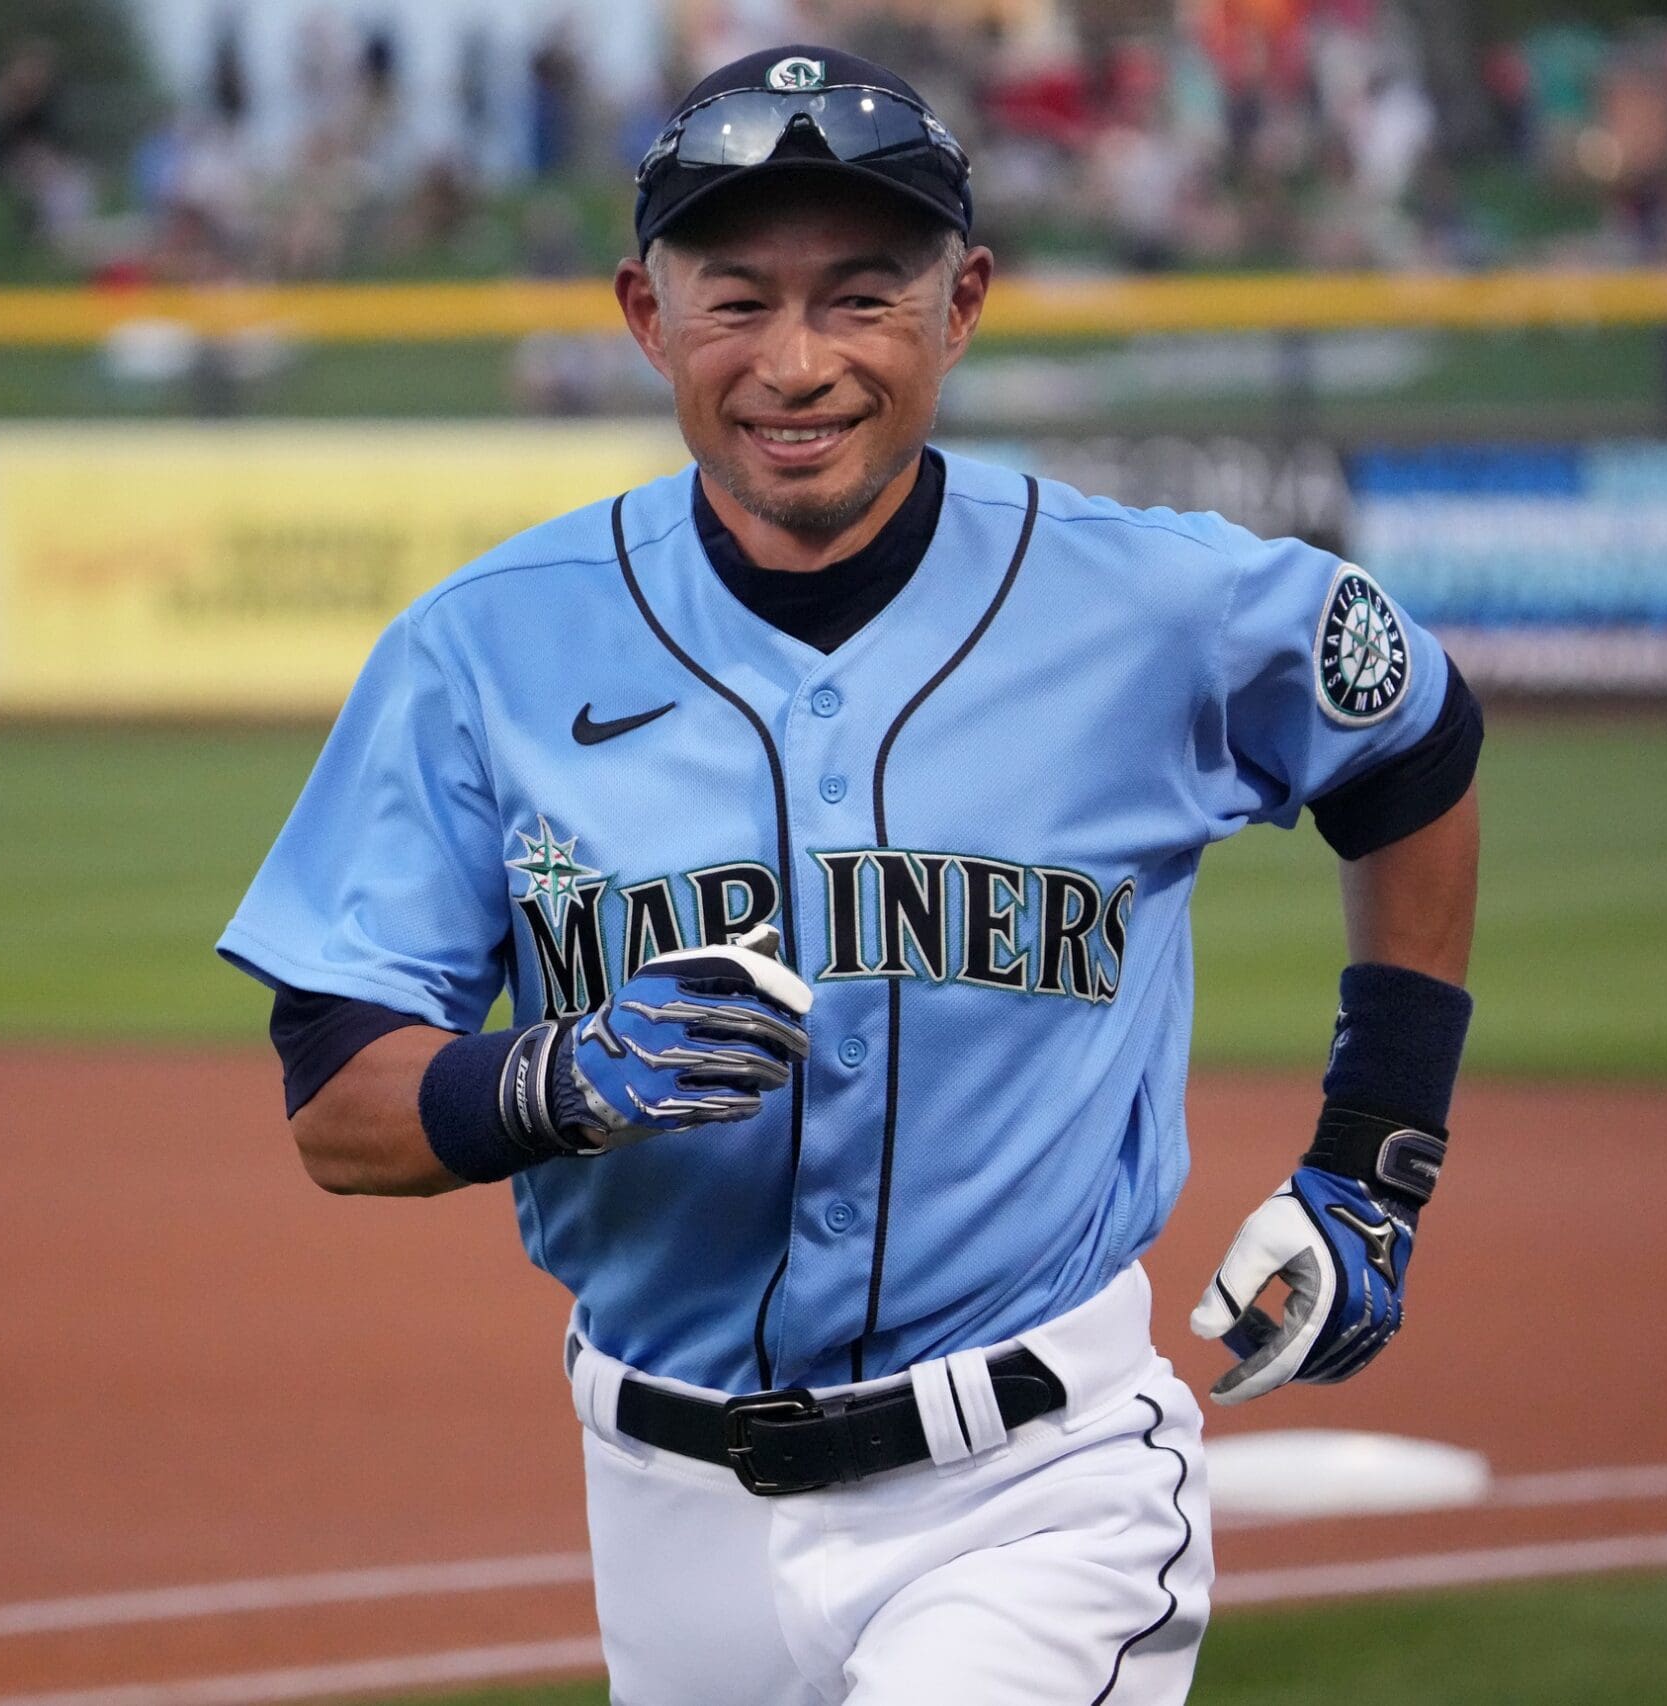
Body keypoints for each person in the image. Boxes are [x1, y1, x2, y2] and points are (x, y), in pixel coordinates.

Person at [220, 44, 1481, 1706]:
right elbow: (337, 1103)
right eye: (735, 301)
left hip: (1042, 1484)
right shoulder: (483, 651)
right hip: (665, 1503)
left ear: (959, 306)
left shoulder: (1148, 609)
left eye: (861, 298)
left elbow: (1411, 734)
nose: (795, 364)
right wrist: (550, 1077)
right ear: (643, 313)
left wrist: (1371, 1163)